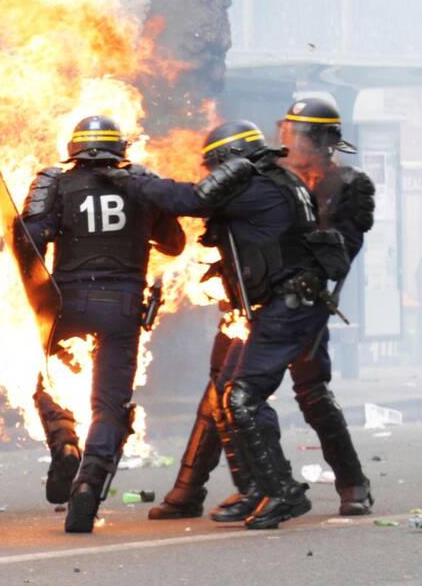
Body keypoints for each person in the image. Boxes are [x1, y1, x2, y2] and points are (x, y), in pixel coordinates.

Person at [113, 120, 349, 529]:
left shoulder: (251, 184)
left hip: (286, 307)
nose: (211, 176)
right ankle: (259, 490)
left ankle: (284, 492)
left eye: (213, 167)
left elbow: (185, 199)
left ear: (228, 160)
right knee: (228, 391)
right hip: (282, 304)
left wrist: (129, 175)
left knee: (243, 397)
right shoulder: (275, 179)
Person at [18, 115, 185, 533]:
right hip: (123, 308)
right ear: (119, 150)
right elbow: (175, 243)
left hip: (68, 303)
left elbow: (29, 239)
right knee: (109, 406)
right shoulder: (142, 185)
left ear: (74, 149)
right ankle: (90, 483)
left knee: (47, 384)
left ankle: (64, 441)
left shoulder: (56, 182)